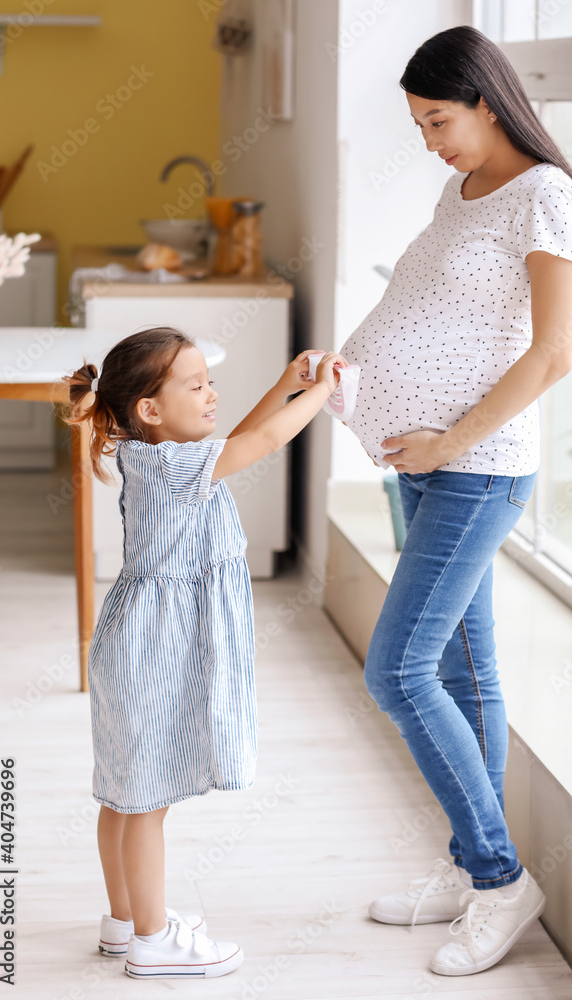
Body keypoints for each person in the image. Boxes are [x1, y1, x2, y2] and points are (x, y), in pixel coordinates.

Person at [338, 25, 572, 977]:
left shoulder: (548, 197)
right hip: (423, 468)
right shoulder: (463, 192)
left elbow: (551, 354)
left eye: (438, 120)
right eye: (416, 125)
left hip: (478, 469)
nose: (429, 142)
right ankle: (467, 867)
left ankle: (499, 881)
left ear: (487, 102)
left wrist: (449, 438)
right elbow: (430, 312)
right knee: (463, 670)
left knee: (397, 672)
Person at [63, 327, 345, 981]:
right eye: (195, 386)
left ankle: (126, 922)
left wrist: (284, 384)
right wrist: (322, 392)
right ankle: (154, 940)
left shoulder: (158, 452)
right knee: (146, 802)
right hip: (154, 649)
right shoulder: (173, 465)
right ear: (150, 410)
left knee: (123, 797)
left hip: (133, 641)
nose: (211, 393)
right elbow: (265, 442)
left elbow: (238, 441)